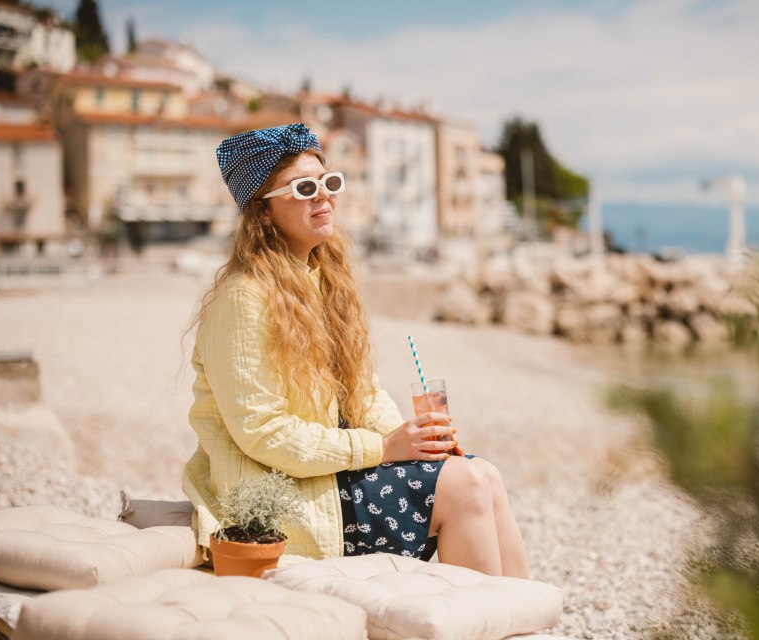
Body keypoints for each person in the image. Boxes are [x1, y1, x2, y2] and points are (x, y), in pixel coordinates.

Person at [182, 123, 528, 577]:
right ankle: (486, 611)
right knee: (464, 486)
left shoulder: (322, 281)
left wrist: (414, 442)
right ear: (262, 212)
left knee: (484, 475)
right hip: (289, 497)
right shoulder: (243, 297)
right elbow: (262, 433)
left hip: (333, 474)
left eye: (329, 182)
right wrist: (383, 447)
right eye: (305, 188)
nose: (324, 196)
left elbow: (363, 393)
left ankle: (522, 611)